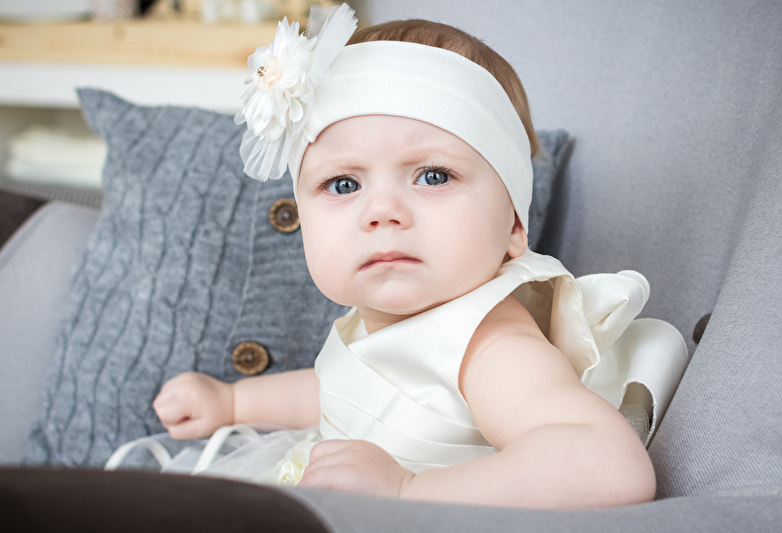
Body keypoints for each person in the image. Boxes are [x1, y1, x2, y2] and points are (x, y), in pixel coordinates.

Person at [135, 4, 684, 510]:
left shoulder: (490, 344)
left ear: (515, 225)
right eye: (343, 184)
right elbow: (338, 391)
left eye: (433, 176)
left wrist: (407, 489)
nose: (382, 212)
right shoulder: (375, 324)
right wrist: (233, 403)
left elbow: (609, 466)